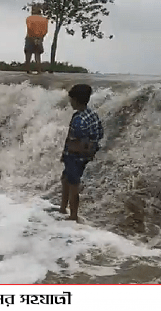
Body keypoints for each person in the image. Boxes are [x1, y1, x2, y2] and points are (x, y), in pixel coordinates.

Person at [59, 84, 104, 222]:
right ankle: (62, 208)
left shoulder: (79, 120)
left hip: (75, 156)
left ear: (76, 100)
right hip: (84, 155)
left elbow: (80, 142)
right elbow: (100, 133)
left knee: (73, 184)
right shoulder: (92, 114)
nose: (70, 102)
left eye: (71, 99)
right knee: (65, 178)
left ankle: (73, 215)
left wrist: (69, 152)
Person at [24, 5, 49, 74]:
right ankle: (39, 71)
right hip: (39, 38)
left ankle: (28, 71)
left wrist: (33, 37)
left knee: (28, 54)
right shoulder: (45, 19)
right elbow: (45, 31)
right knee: (38, 55)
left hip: (30, 37)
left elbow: (29, 28)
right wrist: (40, 38)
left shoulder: (29, 18)